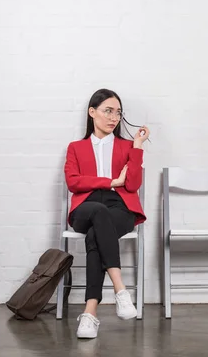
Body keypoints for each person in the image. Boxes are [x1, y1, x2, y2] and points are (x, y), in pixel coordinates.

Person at [64, 88, 149, 339]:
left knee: (95, 236)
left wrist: (137, 146)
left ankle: (90, 314)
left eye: (118, 113)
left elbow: (132, 185)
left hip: (120, 207)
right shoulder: (76, 147)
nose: (114, 118)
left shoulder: (126, 147)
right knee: (98, 213)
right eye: (108, 111)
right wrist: (110, 182)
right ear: (92, 112)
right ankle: (120, 289)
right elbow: (73, 182)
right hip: (85, 206)